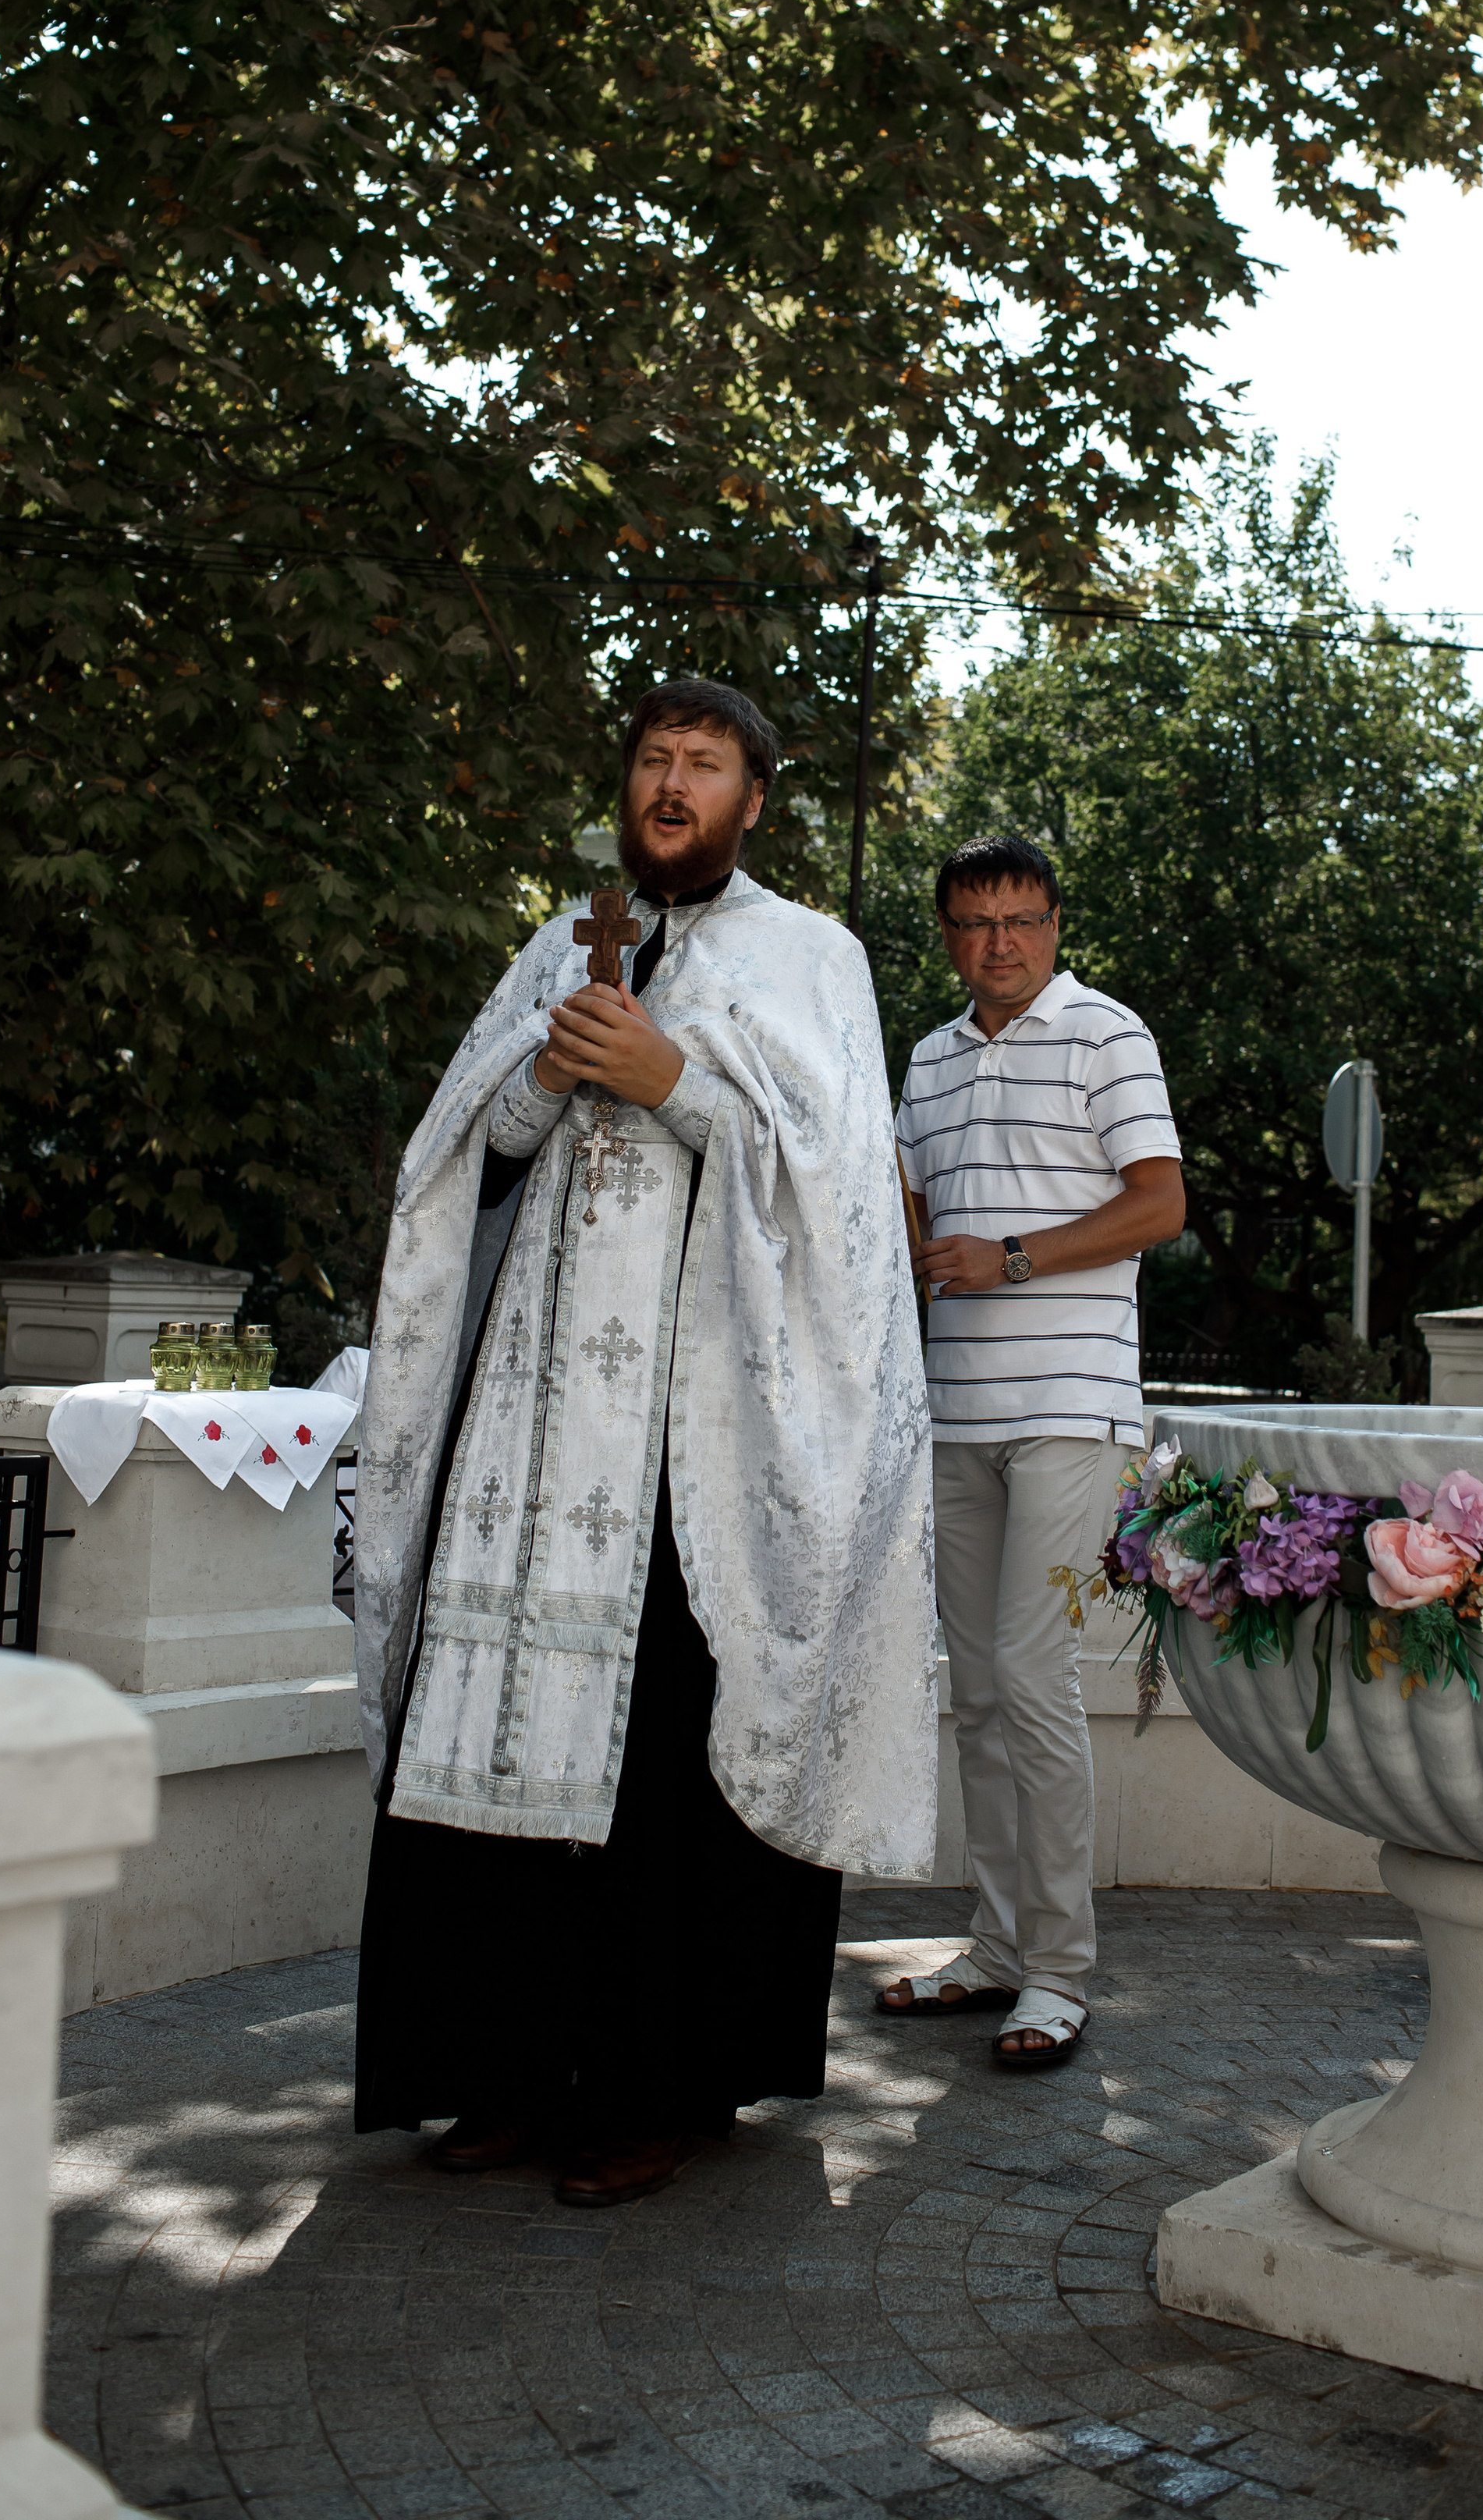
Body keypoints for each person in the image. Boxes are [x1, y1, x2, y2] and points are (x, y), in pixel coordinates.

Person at [353, 680, 935, 2197]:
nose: (673, 786)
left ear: (755, 800)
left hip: (697, 1438)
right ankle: (494, 2067)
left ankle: (655, 2090)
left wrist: (674, 1085)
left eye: (706, 764)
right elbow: (469, 1158)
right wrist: (546, 1078)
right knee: (481, 1717)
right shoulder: (560, 944)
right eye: (654, 760)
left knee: (664, 1762)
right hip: (530, 1429)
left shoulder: (810, 957)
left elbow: (840, 1198)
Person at [881, 834, 1183, 2067]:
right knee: (979, 1691)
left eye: (1022, 919)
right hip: (956, 1411)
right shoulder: (929, 1058)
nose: (1000, 943)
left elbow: (1159, 1205)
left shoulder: (1109, 1034)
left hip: (1072, 1407)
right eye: (975, 922)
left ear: (1056, 924)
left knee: (1031, 1672)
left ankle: (1059, 1972)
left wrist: (1006, 1258)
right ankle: (998, 1948)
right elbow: (904, 1214)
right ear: (948, 935)